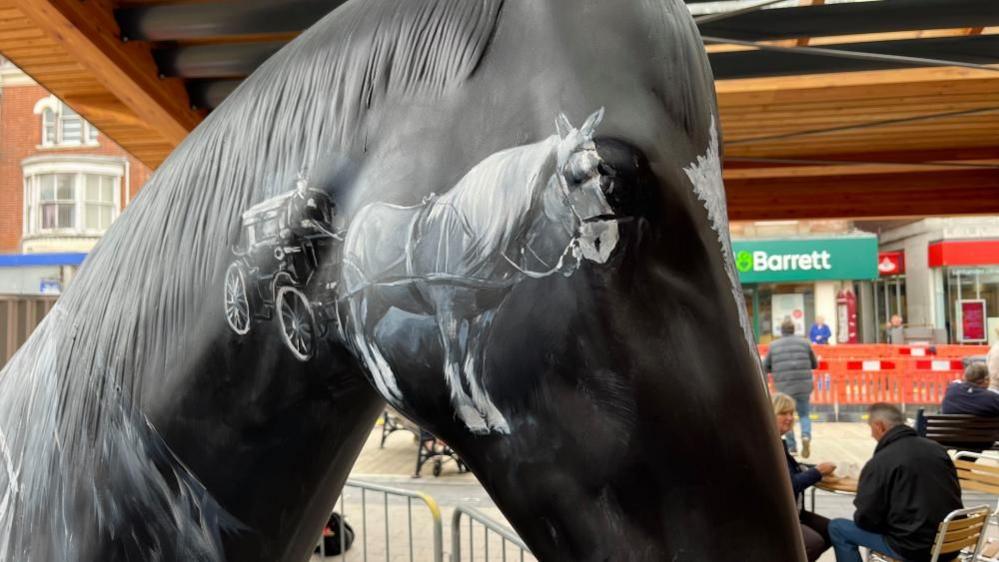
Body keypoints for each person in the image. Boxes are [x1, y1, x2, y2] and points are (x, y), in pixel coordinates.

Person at [828, 403, 962, 562]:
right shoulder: (937, 449)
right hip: (952, 543)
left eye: (871, 428)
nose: (872, 435)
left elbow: (865, 518)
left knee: (838, 528)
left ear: (879, 426)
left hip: (914, 549)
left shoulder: (881, 461)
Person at [773, 393, 835, 561]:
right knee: (813, 543)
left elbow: (791, 471)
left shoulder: (777, 442)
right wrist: (817, 472)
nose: (789, 418)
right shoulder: (768, 447)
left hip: (792, 511)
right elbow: (788, 486)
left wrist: (813, 469)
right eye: (783, 413)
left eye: (791, 413)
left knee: (833, 530)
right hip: (776, 516)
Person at [764, 319, 818, 457]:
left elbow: (765, 366)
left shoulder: (774, 345)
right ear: (794, 330)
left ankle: (792, 447)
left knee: (786, 415)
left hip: (784, 386)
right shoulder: (805, 343)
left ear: (781, 331)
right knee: (804, 414)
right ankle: (806, 436)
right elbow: (814, 363)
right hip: (803, 386)